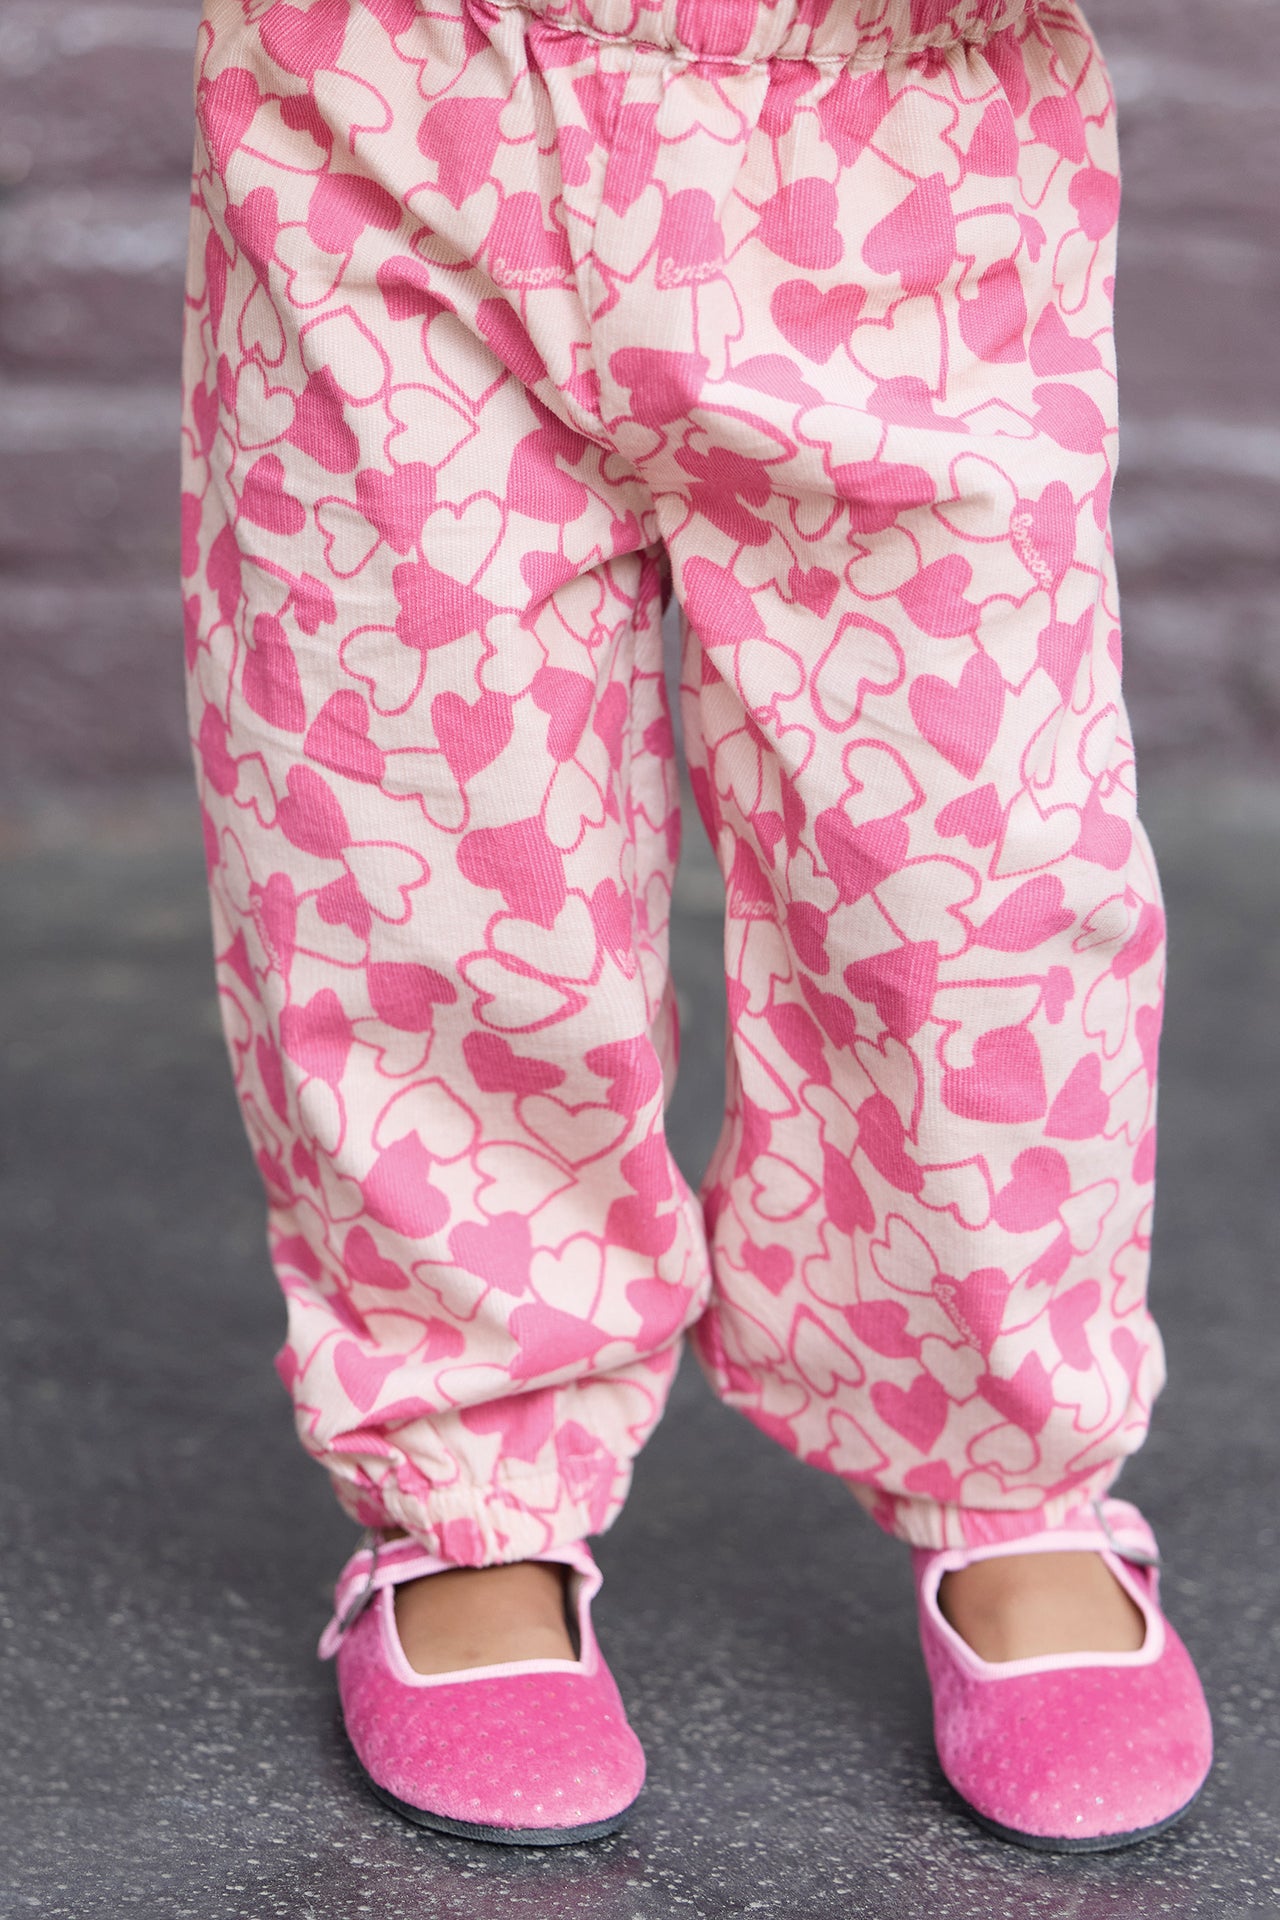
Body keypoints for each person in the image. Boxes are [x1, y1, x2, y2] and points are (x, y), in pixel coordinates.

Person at [180, 0, 1212, 1853]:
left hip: (906, 130)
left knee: (970, 857)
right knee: (422, 827)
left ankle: (1012, 1467)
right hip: (396, 101)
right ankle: (474, 1487)